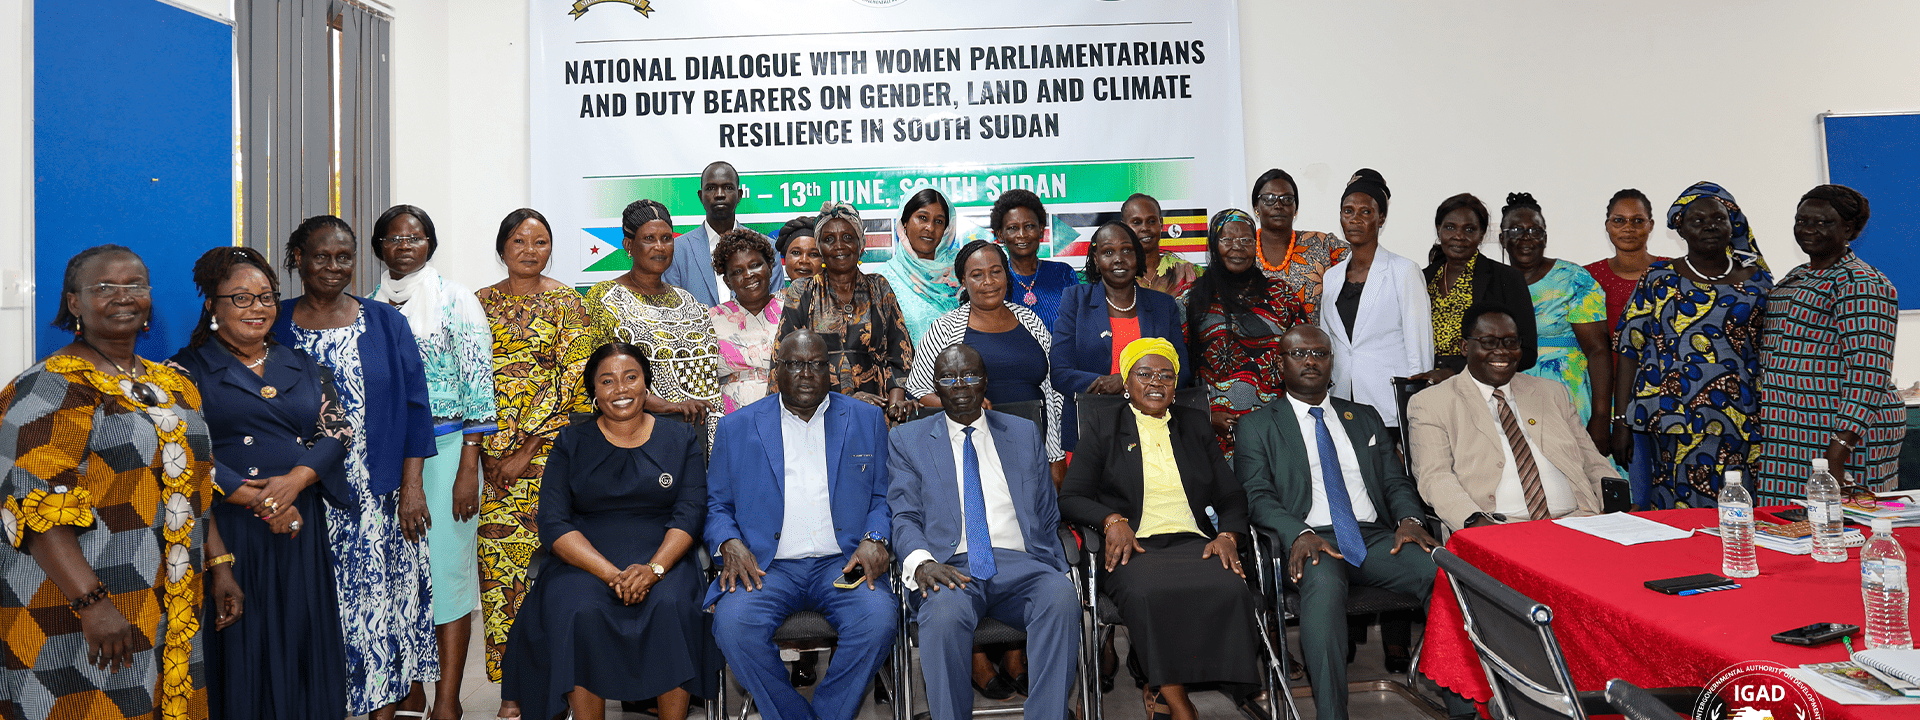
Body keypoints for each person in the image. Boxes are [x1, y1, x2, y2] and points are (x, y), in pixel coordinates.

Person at [0, 245, 233, 720]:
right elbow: (34, 507)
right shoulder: (53, 385)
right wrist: (92, 604)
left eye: (135, 285)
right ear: (74, 302)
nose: (123, 296)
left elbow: (193, 484)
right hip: (73, 604)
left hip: (167, 599)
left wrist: (220, 564)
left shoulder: (173, 385)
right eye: (104, 287)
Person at [169, 246, 348, 720]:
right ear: (213, 305)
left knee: (299, 631)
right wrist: (258, 498)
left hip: (299, 522)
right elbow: (181, 449)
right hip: (229, 528)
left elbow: (336, 431)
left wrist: (295, 481)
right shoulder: (182, 372)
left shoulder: (303, 364)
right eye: (241, 298)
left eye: (266, 297)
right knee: (243, 640)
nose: (257, 308)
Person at [273, 215, 440, 719]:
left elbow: (416, 407)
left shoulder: (386, 322)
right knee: (318, 608)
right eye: (321, 256)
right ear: (298, 258)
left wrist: (412, 487)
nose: (333, 266)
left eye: (344, 257)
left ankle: (382, 711)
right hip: (305, 494)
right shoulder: (275, 322)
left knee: (378, 612)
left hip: (379, 497)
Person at [1235, 326, 1446, 720]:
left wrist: (1410, 519)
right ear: (1281, 363)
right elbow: (1257, 495)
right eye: (1299, 353)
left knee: (1442, 573)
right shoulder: (1257, 425)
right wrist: (1298, 533)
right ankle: (1332, 714)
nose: (1311, 361)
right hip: (1311, 539)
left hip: (1375, 538)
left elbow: (1394, 481)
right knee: (1325, 586)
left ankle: (1465, 704)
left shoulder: (1363, 417)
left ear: (1332, 361)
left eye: (1320, 353)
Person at [501, 342, 717, 720]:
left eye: (631, 377)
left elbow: (691, 513)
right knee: (578, 609)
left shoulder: (680, 439)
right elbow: (553, 522)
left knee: (672, 606)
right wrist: (610, 574)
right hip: (584, 561)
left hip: (664, 556)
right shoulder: (570, 443)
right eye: (607, 381)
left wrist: (654, 570)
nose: (621, 389)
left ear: (646, 384)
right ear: (594, 392)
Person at [1059, 339, 1259, 720]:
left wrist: (1228, 535)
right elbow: (1070, 497)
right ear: (1127, 381)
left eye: (1166, 375)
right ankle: (1179, 702)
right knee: (1151, 593)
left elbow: (1231, 494)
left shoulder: (1194, 425)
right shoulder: (1103, 426)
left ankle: (1171, 690)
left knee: (1231, 587)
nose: (1156, 382)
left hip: (1194, 541)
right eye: (1145, 374)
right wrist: (1111, 520)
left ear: (1175, 384)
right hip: (1134, 546)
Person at [707, 330, 899, 720]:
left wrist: (875, 537)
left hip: (842, 563)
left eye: (816, 364)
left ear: (831, 370)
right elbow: (717, 506)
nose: (807, 373)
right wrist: (728, 541)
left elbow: (884, 496)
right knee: (733, 625)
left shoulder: (865, 419)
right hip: (767, 566)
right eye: (795, 364)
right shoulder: (736, 427)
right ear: (777, 370)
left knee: (878, 617)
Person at [888, 345, 1081, 720]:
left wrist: (1052, 563)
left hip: (1020, 564)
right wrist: (922, 562)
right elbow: (903, 514)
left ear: (986, 381)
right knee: (942, 616)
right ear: (935, 385)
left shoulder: (1023, 432)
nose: (960, 385)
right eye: (948, 377)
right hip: (950, 567)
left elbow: (1046, 509)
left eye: (970, 375)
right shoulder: (908, 440)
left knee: (1060, 596)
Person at [369, 204, 498, 716]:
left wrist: (469, 467)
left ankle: (447, 699)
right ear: (379, 247)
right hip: (386, 457)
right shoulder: (367, 307)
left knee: (446, 576)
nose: (405, 245)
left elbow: (479, 387)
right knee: (397, 577)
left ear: (430, 244)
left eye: (416, 237)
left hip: (448, 453)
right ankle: (409, 688)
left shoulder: (456, 299)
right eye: (394, 238)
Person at [475, 208, 599, 711]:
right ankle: (512, 691)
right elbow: (469, 382)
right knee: (498, 574)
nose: (530, 251)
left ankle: (559, 684)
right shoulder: (478, 304)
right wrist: (485, 455)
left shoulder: (569, 303)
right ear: (502, 248)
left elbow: (578, 387)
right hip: (492, 467)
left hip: (553, 461)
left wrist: (525, 449)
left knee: (555, 578)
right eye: (520, 241)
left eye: (541, 242)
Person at [1612, 182, 1772, 508]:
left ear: (1733, 224)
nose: (1709, 226)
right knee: (1677, 515)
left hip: (1741, 420)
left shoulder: (1758, 282)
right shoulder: (1659, 277)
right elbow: (1629, 348)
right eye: (1697, 220)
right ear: (1681, 229)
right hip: (1672, 422)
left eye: (1718, 218)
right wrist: (1621, 420)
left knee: (1738, 512)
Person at [1755, 184, 1904, 504]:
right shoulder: (1797, 276)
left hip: (1843, 435)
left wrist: (1839, 450)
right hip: (1791, 432)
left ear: (1848, 229)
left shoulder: (1861, 283)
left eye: (1822, 222)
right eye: (1801, 220)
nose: (1808, 229)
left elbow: (1869, 371)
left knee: (1848, 523)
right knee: (1788, 522)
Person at [1407, 307, 1609, 531]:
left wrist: (1617, 503)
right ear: (1465, 347)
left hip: (1579, 521)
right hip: (1497, 527)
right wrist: (1476, 523)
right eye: (1488, 342)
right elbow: (1435, 477)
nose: (1502, 351)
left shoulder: (1552, 392)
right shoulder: (1431, 403)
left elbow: (1592, 460)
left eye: (1511, 342)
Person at [906, 240, 1066, 469]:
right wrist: (963, 405)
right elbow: (918, 390)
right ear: (963, 281)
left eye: (996, 272)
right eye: (977, 275)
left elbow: (1054, 390)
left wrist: (1056, 456)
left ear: (1006, 275)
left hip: (1034, 450)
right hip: (971, 452)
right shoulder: (945, 329)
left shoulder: (1030, 320)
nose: (988, 281)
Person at [586, 199, 725, 443]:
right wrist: (670, 407)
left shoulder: (687, 300)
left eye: (666, 238)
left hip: (710, 431)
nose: (660, 247)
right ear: (629, 245)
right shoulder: (605, 298)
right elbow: (599, 377)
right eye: (649, 239)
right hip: (650, 434)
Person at [1051, 223, 1188, 453]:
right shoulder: (1075, 300)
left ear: (1137, 256)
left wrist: (1126, 382)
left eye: (1126, 250)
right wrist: (1107, 385)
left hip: (1154, 431)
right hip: (1091, 432)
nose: (1118, 259)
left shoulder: (1163, 305)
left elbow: (1181, 371)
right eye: (1108, 252)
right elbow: (1060, 373)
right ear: (1096, 259)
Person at [777, 201, 919, 423]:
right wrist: (845, 401)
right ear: (820, 248)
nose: (839, 246)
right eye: (829, 239)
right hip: (817, 414)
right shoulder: (803, 291)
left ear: (860, 243)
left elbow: (900, 354)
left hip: (878, 413)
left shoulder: (879, 287)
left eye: (847, 237)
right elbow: (784, 360)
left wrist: (894, 407)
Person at [1318, 169, 1434, 434]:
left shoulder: (1404, 271)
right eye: (1348, 211)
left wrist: (1416, 412)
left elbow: (1419, 350)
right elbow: (1329, 342)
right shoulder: (1332, 277)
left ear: (1381, 218)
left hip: (1390, 408)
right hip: (1342, 403)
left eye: (1366, 212)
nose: (1355, 219)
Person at [1499, 193, 1612, 444]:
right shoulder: (1493, 282)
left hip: (1568, 397)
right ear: (1502, 238)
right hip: (1510, 397)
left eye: (1535, 230)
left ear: (1545, 238)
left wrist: (1601, 416)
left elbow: (1598, 350)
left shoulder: (1573, 279)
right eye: (1516, 229)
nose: (1526, 237)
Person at [1186, 209, 1290, 454]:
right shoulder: (1192, 300)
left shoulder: (1281, 295)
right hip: (1215, 431)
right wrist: (1205, 414)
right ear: (1214, 245)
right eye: (1228, 240)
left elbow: (1301, 355)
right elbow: (1181, 370)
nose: (1238, 247)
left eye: (1246, 240)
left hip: (1276, 427)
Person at [1423, 193, 1538, 375]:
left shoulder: (1507, 278)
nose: (1459, 236)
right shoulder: (1422, 278)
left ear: (1482, 234)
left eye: (1469, 229)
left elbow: (1527, 351)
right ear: (1439, 230)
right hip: (1427, 383)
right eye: (1450, 227)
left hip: (1482, 383)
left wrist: (1455, 372)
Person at [662, 161, 784, 306]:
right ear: (701, 196)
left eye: (728, 187)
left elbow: (776, 309)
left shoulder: (767, 247)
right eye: (711, 188)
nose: (719, 194)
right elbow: (673, 308)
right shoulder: (677, 250)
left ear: (739, 195)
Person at [1250, 167, 1348, 326]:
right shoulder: (1241, 249)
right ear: (1256, 207)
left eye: (1287, 199)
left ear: (1295, 209)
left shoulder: (1322, 244)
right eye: (1269, 198)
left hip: (1313, 341)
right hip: (1256, 342)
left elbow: (1364, 262)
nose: (1278, 205)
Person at [872, 188, 963, 348]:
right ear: (905, 221)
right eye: (922, 218)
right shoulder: (882, 280)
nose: (930, 228)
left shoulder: (964, 268)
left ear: (946, 229)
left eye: (939, 221)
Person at [709, 227, 783, 415]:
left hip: (785, 414)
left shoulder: (791, 310)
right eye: (737, 271)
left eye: (755, 265)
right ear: (728, 281)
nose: (748, 274)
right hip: (730, 418)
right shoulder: (712, 319)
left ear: (770, 267)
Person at [1583, 189, 1665, 342]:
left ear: (1651, 225)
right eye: (1619, 220)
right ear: (1607, 225)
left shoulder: (1673, 271)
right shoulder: (1588, 277)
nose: (1628, 228)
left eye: (1638, 221)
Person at [995, 188, 1080, 329]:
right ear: (1000, 235)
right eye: (1013, 228)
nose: (1022, 234)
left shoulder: (1063, 273)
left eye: (1029, 226)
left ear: (1041, 230)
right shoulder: (996, 281)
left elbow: (1081, 325)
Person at [1121, 193, 1200, 299]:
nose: (1145, 228)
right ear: (1124, 228)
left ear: (1161, 224)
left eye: (1151, 221)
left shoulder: (1188, 272)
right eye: (1136, 222)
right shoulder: (1116, 275)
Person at [775, 215, 821, 289]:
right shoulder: (774, 297)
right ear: (785, 257)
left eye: (814, 254)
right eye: (796, 253)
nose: (804, 260)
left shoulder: (837, 296)